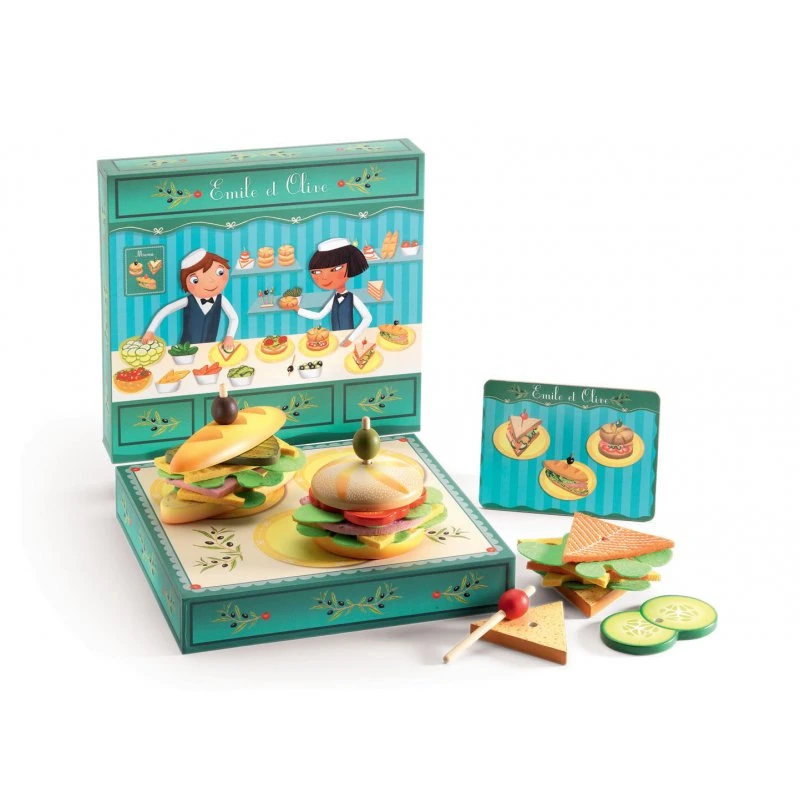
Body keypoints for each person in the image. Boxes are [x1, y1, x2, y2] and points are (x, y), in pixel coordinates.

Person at [142, 249, 238, 347]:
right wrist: (150, 331)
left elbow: (234, 317)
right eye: (195, 280)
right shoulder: (188, 301)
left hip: (208, 347)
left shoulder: (221, 299)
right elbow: (165, 310)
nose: (211, 281)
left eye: (220, 272)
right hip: (186, 348)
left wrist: (230, 336)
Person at [297, 238, 371, 347]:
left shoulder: (352, 297)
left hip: (349, 337)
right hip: (336, 338)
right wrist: (297, 309)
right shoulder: (334, 299)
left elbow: (368, 318)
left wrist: (351, 338)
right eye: (317, 272)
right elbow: (320, 315)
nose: (325, 278)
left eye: (336, 269)